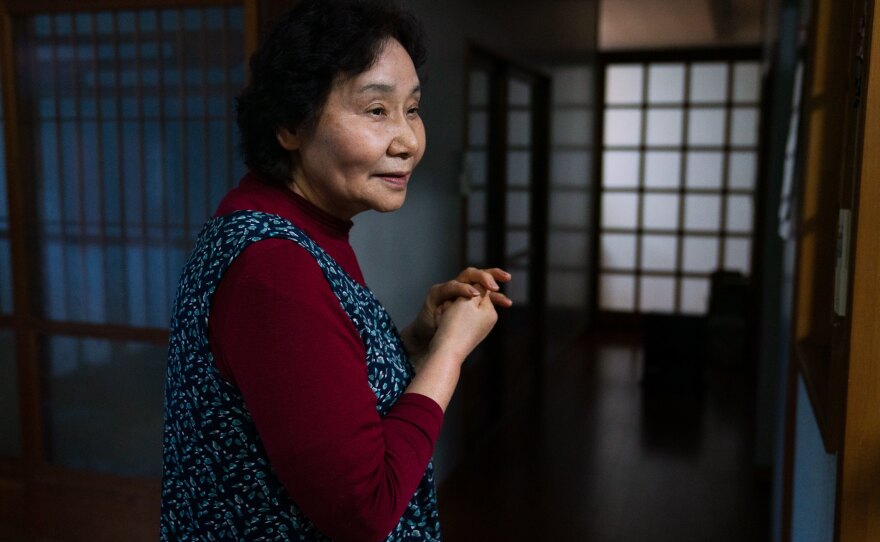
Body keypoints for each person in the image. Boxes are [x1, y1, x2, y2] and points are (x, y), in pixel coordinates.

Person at [159, 1, 510, 540]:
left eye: (412, 109)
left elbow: (317, 394)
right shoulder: (273, 269)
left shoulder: (294, 226)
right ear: (289, 126)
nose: (408, 141)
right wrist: (450, 353)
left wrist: (413, 343)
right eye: (376, 110)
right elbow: (363, 510)